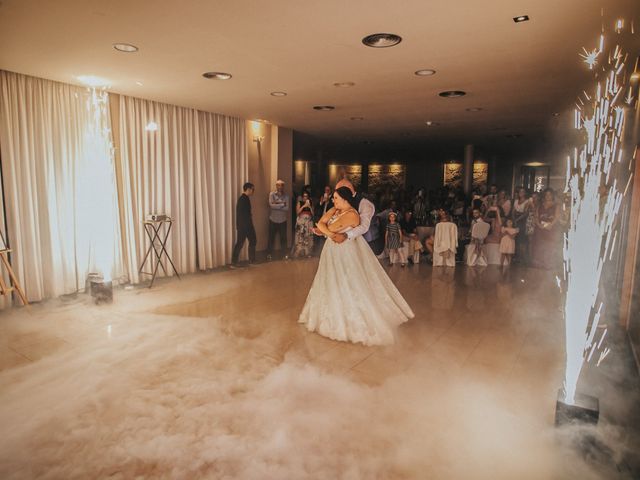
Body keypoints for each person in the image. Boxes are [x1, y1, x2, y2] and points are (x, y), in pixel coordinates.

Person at [299, 186, 414, 346]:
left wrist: (325, 230)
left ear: (345, 199)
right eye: (334, 198)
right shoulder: (335, 209)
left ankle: (348, 322)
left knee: (346, 282)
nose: (333, 201)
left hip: (344, 252)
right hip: (331, 249)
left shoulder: (352, 215)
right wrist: (328, 232)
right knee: (330, 281)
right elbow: (321, 223)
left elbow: (327, 226)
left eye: (336, 198)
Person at [532, 188, 559, 269]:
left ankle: (548, 265)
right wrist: (539, 225)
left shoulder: (556, 205)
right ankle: (539, 265)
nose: (548, 196)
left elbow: (557, 217)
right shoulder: (540, 205)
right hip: (540, 229)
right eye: (546, 194)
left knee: (549, 246)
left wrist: (551, 225)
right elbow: (536, 217)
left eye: (550, 194)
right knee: (539, 246)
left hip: (550, 229)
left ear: (552, 196)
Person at [231, 182, 256, 267]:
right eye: (253, 189)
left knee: (250, 241)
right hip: (245, 226)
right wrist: (248, 226)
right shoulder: (243, 199)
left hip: (244, 226)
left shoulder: (244, 198)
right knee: (241, 243)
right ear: (248, 189)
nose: (253, 191)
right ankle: (235, 262)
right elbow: (243, 215)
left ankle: (250, 261)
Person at [267, 180, 289, 260]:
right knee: (271, 238)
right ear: (276, 186)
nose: (280, 187)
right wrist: (282, 204)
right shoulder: (272, 194)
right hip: (273, 220)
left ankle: (284, 254)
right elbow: (271, 206)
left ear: (283, 186)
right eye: (278, 185)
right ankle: (269, 254)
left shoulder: (286, 196)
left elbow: (287, 208)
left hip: (283, 220)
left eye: (282, 185)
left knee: (283, 238)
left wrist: (276, 204)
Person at [292, 190, 314, 258]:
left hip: (308, 222)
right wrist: (304, 206)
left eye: (306, 196)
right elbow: (297, 212)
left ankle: (307, 252)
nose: (305, 198)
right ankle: (299, 252)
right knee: (300, 236)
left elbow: (313, 214)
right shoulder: (300, 202)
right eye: (304, 196)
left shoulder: (310, 203)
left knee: (308, 236)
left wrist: (309, 206)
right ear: (302, 197)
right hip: (301, 222)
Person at [512, 188, 530, 262]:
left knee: (521, 239)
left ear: (525, 193)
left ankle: (523, 257)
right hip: (515, 221)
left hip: (522, 221)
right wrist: (514, 220)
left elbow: (525, 213)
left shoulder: (527, 201)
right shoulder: (516, 201)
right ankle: (516, 256)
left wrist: (517, 219)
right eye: (520, 191)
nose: (521, 193)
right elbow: (513, 211)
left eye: (522, 191)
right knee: (515, 239)